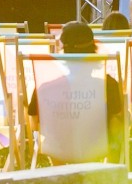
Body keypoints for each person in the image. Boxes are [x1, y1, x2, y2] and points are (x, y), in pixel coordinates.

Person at [28, 21, 124, 163]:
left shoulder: (46, 86)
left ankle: (58, 170)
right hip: (96, 149)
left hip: (58, 149)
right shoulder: (107, 84)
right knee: (119, 118)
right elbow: (117, 120)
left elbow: (34, 122)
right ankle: (110, 169)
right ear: (93, 48)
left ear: (63, 50)